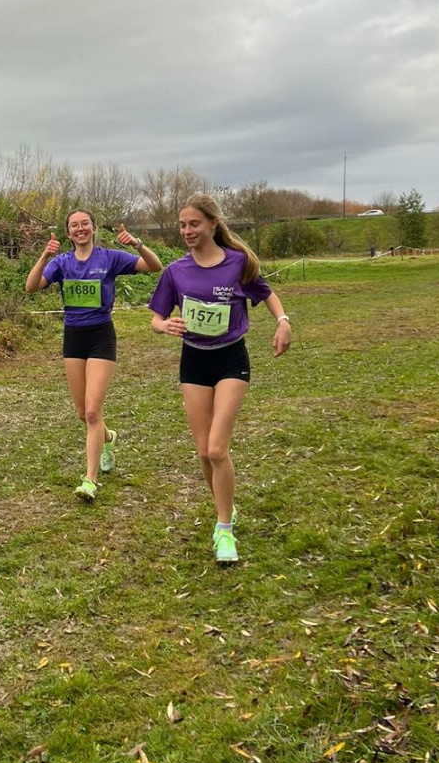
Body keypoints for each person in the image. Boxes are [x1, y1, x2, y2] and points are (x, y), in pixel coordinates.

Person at [148, 194, 292, 563]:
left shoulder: (237, 264)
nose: (186, 231)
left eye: (193, 224)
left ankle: (224, 529)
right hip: (193, 362)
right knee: (201, 452)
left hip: (231, 359)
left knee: (216, 449)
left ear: (213, 224)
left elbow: (268, 294)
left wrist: (282, 322)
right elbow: (155, 318)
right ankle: (224, 508)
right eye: (182, 225)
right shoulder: (175, 271)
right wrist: (166, 325)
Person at [26, 209, 162, 502]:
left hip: (101, 336)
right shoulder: (61, 262)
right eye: (74, 225)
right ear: (68, 233)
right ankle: (108, 438)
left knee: (91, 412)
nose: (80, 229)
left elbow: (154, 266)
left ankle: (89, 479)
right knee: (82, 414)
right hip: (73, 338)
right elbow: (31, 287)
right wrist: (43, 257)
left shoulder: (110, 257)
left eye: (84, 224)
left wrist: (136, 244)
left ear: (93, 227)